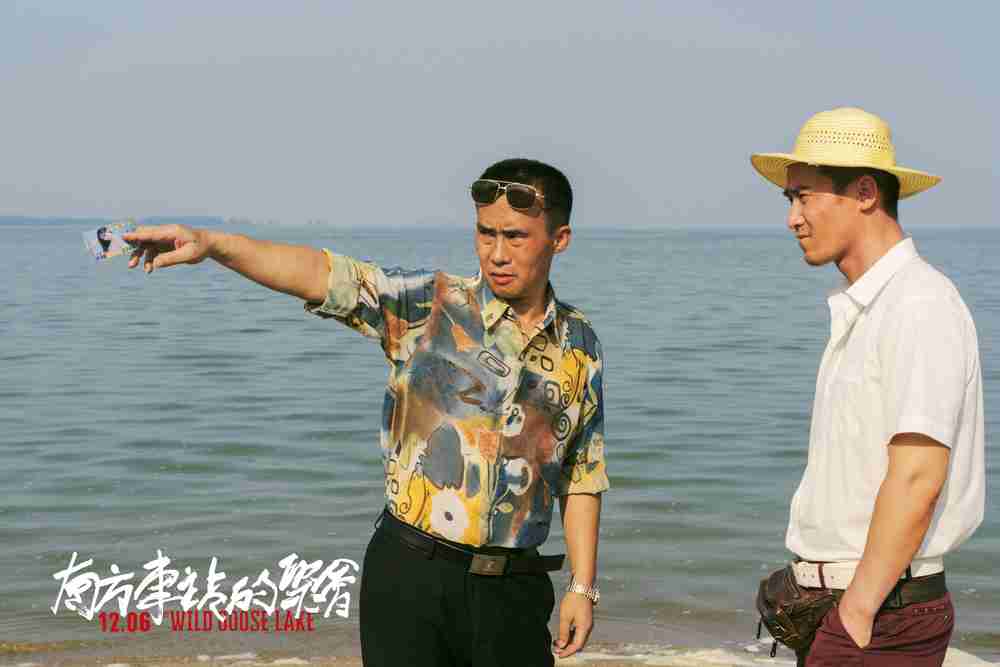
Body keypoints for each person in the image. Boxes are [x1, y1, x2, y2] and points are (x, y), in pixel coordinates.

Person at [123, 158, 608, 667]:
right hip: (411, 578)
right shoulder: (428, 305)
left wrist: (582, 586)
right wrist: (212, 244)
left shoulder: (580, 345)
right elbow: (319, 275)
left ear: (559, 239)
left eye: (516, 236)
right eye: (486, 234)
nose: (497, 253)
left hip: (514, 591)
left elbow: (581, 472)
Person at [750, 107, 985, 666]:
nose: (792, 218)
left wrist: (855, 610)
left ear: (864, 193)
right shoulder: (869, 307)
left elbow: (918, 477)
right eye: (789, 200)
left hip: (879, 613)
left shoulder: (918, 304)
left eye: (804, 197)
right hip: (855, 607)